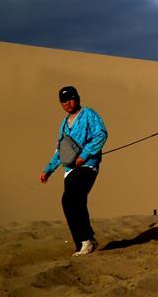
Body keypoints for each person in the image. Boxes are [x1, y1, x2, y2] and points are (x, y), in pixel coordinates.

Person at [39, 86, 108, 257]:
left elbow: (101, 134)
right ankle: (84, 242)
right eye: (63, 101)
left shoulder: (89, 114)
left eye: (70, 99)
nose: (67, 103)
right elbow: (61, 149)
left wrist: (84, 155)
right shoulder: (64, 123)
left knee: (71, 199)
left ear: (77, 98)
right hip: (69, 169)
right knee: (73, 202)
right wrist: (48, 170)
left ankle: (86, 241)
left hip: (87, 166)